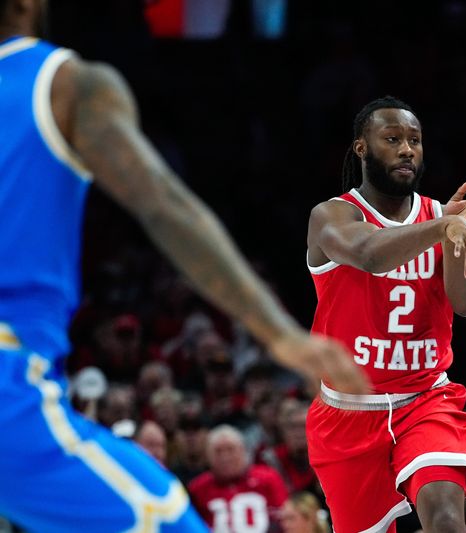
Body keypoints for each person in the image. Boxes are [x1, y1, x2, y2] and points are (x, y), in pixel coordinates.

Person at [0, 1, 367, 531]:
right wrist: (282, 336)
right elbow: (166, 207)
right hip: (10, 383)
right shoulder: (66, 84)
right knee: (162, 515)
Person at [304, 95, 466, 532]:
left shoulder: (440, 219)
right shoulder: (332, 215)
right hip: (348, 414)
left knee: (446, 518)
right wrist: (445, 225)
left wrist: (457, 234)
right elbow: (370, 254)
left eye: (415, 140)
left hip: (426, 400)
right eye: (392, 139)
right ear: (362, 148)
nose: (407, 149)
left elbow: (465, 304)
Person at [188, 425, 289, 532]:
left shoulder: (267, 478)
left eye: (230, 449)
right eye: (218, 451)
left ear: (243, 451)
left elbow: (285, 516)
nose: (225, 457)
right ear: (208, 456)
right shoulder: (198, 488)